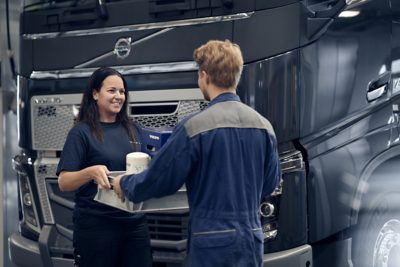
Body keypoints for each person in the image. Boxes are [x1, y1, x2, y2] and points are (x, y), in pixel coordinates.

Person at [113, 40, 281, 266]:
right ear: (236, 76)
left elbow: (159, 180)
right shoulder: (264, 126)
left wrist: (125, 184)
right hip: (250, 239)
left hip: (211, 243)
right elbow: (270, 183)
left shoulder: (194, 127)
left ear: (204, 75)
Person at [56, 67, 152, 267]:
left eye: (122, 91)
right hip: (96, 227)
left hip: (135, 224)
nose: (119, 96)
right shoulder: (81, 133)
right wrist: (90, 172)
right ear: (95, 94)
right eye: (112, 91)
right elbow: (64, 182)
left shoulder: (134, 130)